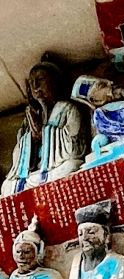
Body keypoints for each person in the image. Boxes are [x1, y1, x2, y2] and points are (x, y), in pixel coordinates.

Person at [1, 58, 87, 196]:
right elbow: (17, 155)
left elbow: (74, 147)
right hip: (34, 175)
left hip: (57, 168)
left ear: (55, 82)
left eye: (40, 80)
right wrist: (30, 139)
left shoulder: (68, 109)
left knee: (71, 166)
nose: (35, 86)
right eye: (31, 82)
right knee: (8, 186)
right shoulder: (29, 120)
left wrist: (44, 133)